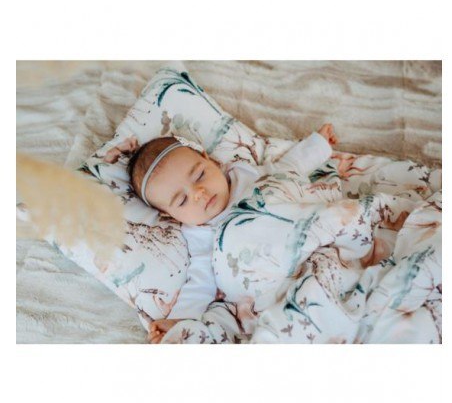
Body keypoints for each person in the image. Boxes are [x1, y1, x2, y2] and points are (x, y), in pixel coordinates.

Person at [128, 124, 338, 343]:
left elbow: (286, 169)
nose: (199, 193)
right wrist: (178, 321)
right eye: (182, 200)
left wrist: (318, 145)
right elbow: (201, 281)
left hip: (307, 245)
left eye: (200, 175)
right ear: (170, 215)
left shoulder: (244, 175)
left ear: (208, 158)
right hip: (274, 283)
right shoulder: (200, 233)